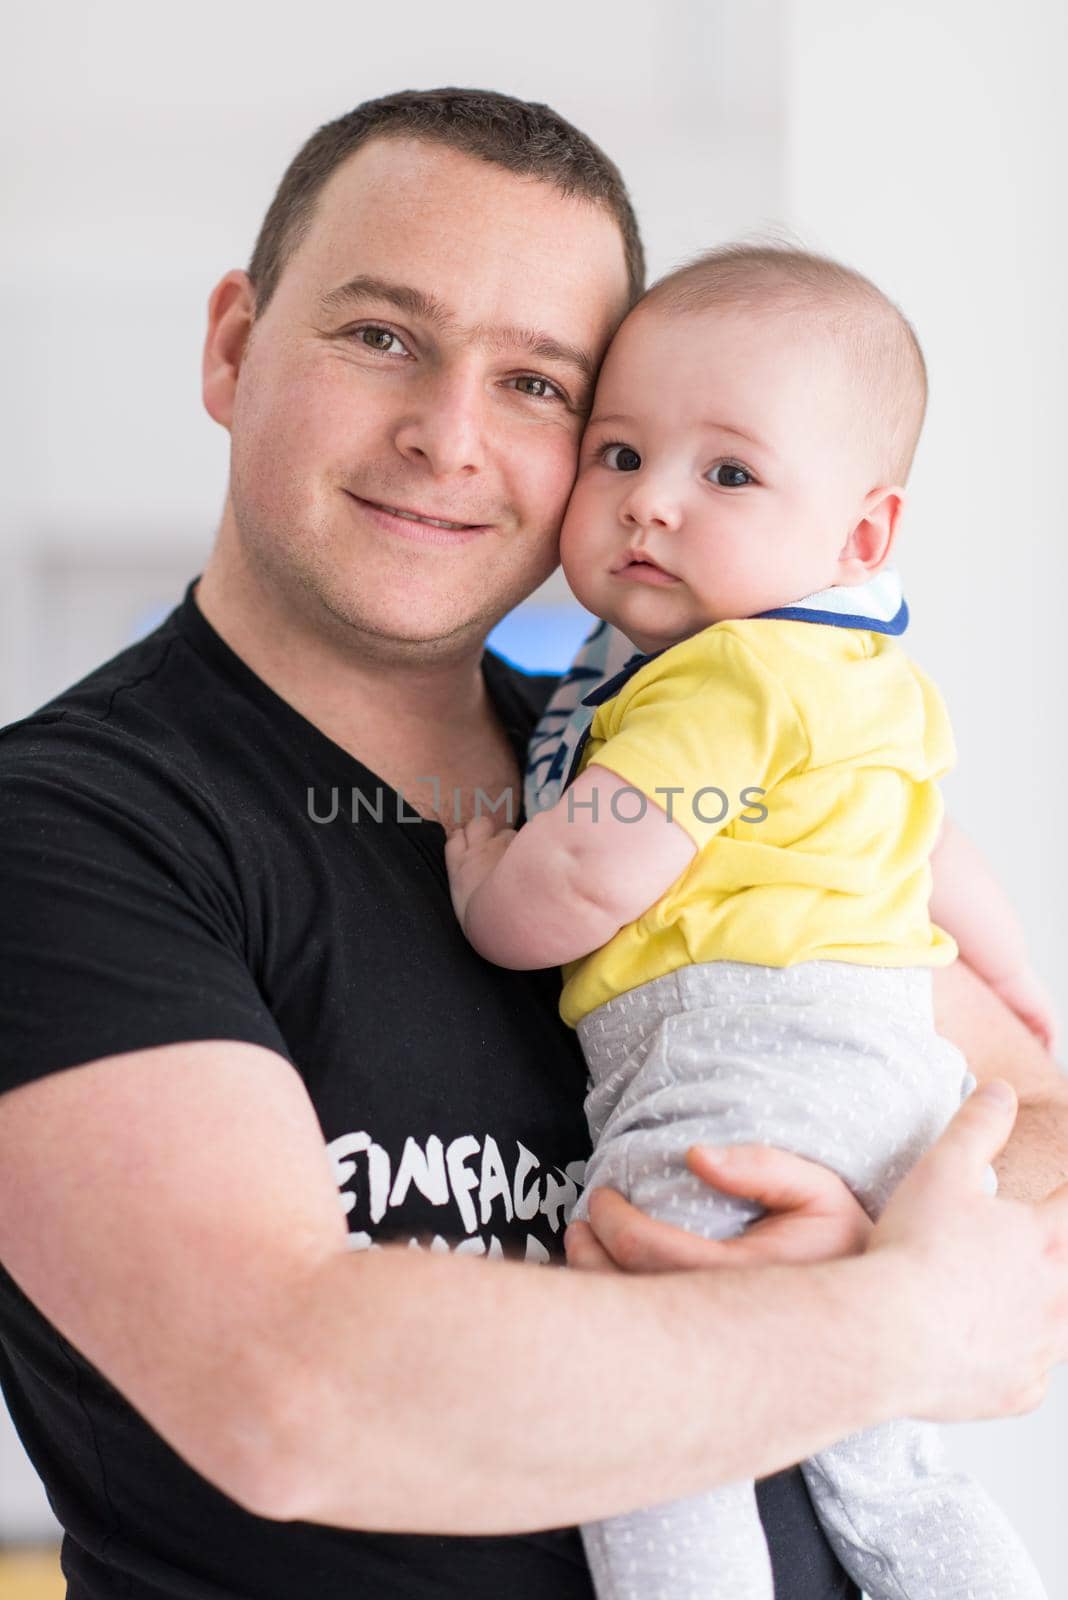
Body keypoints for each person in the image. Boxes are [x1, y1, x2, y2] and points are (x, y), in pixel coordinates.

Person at [0, 87, 1066, 1600]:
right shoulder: (71, 832)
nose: (449, 438)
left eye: (540, 387)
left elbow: (1027, 1104)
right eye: (383, 338)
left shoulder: (660, 749)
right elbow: (293, 1396)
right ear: (234, 346)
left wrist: (893, 1226)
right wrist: (891, 1326)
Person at [445, 243, 1053, 1599]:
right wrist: (1013, 993)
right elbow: (937, 860)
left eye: (726, 474)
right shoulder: (867, 677)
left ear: (861, 535)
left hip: (735, 1075)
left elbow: (593, 877)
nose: (651, 505)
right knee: (878, 1462)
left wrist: (491, 885)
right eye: (618, 456)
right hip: (894, 1077)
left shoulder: (718, 680)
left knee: (658, 1415)